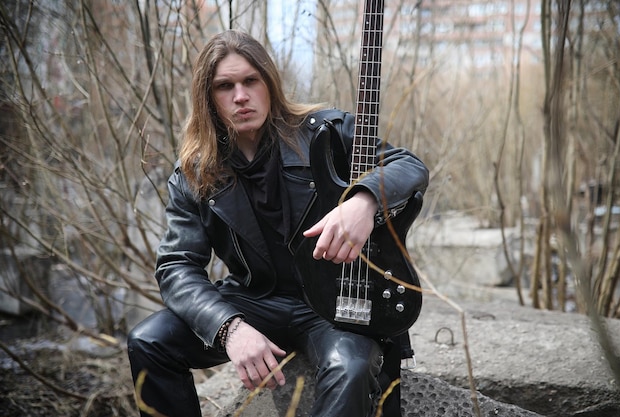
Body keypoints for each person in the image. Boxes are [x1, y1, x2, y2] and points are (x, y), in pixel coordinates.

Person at [127, 30, 429, 417]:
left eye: (250, 81)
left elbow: (410, 166)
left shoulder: (327, 132)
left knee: (350, 369)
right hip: (252, 301)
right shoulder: (194, 173)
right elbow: (177, 267)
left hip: (331, 304)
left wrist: (364, 200)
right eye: (225, 86)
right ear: (208, 99)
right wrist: (228, 328)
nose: (240, 96)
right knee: (148, 341)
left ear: (269, 84)